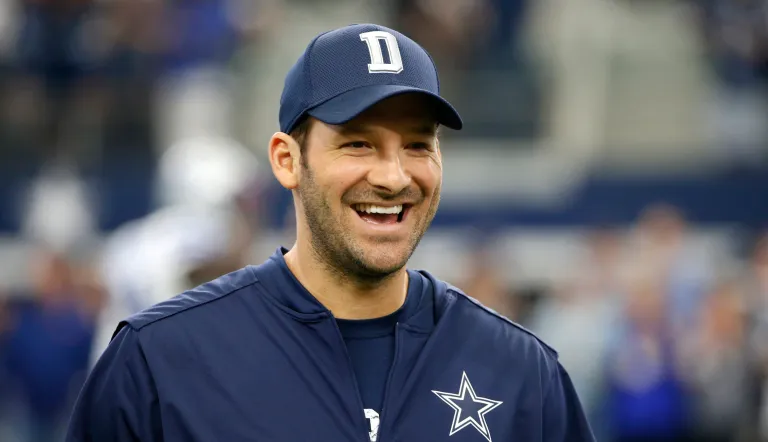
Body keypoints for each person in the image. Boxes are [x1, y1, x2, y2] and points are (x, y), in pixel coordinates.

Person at [65, 24, 595, 442]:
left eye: (417, 144)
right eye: (358, 144)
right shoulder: (158, 359)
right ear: (287, 160)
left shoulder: (522, 372)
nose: (393, 177)